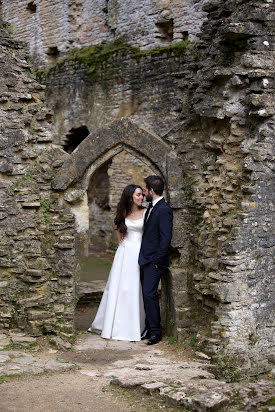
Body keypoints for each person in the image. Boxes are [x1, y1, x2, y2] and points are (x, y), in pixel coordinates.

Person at [88, 184, 146, 341]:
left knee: (134, 288)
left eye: (142, 195)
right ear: (130, 197)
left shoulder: (146, 212)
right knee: (119, 286)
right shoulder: (124, 213)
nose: (141, 197)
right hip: (125, 252)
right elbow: (116, 226)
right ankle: (113, 324)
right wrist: (121, 241)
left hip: (139, 251)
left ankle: (134, 325)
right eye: (138, 195)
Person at [139, 175, 173, 345]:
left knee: (149, 294)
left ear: (151, 191)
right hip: (145, 260)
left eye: (145, 190)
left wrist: (157, 261)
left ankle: (156, 332)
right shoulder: (151, 207)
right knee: (146, 295)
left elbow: (166, 238)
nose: (144, 192)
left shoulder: (164, 209)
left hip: (154, 261)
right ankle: (148, 328)